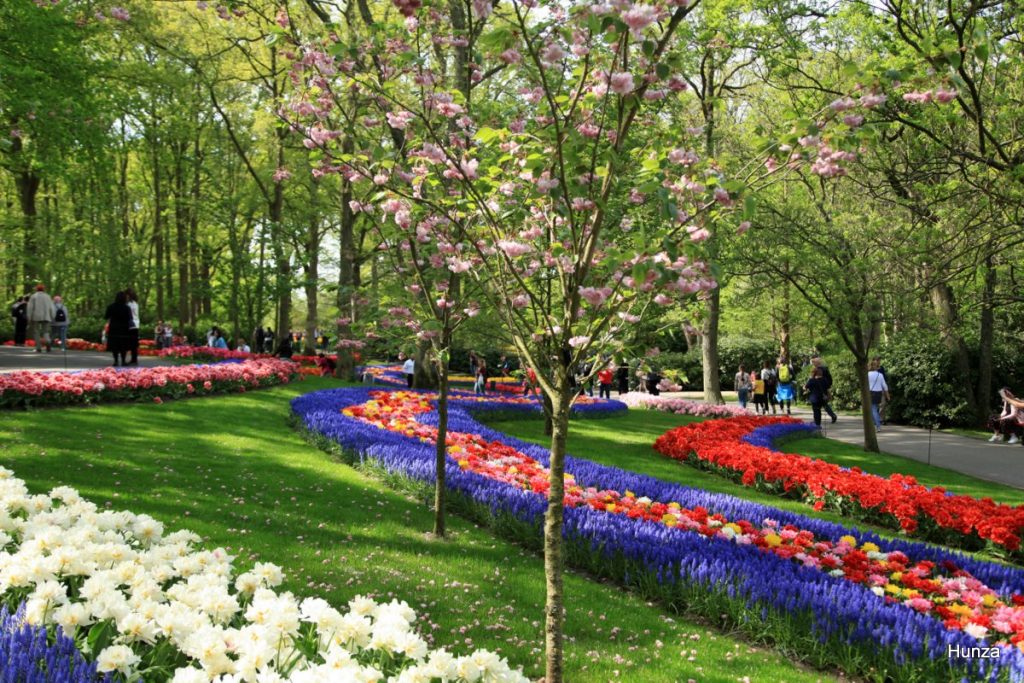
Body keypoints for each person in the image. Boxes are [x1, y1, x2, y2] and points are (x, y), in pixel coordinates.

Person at [104, 291, 133, 367]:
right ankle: (123, 361)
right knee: (124, 345)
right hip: (124, 329)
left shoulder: (111, 306)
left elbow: (106, 316)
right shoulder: (127, 308)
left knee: (115, 345)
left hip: (114, 328)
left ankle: (116, 361)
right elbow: (130, 318)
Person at [26, 284, 56, 353]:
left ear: (36, 289)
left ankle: (38, 348)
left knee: (36, 332)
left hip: (36, 317)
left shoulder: (33, 296)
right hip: (46, 316)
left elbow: (30, 308)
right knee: (45, 331)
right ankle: (48, 342)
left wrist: (29, 317)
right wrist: (52, 316)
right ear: (44, 289)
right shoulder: (47, 296)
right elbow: (52, 307)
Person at [810, 356, 838, 423]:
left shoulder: (818, 370)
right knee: (824, 403)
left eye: (814, 362)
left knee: (821, 404)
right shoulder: (825, 369)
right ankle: (832, 415)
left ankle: (818, 419)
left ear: (817, 363)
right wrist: (828, 387)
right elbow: (830, 379)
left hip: (818, 389)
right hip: (825, 387)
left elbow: (812, 379)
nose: (813, 364)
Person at [867, 359, 890, 431]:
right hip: (878, 393)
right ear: (876, 367)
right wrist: (888, 396)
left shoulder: (867, 374)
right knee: (874, 409)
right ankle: (876, 424)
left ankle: (877, 425)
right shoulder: (880, 375)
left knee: (873, 409)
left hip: (870, 393)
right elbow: (885, 386)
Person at [872, 356, 889, 425]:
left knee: (883, 404)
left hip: (881, 389)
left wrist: (885, 390)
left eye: (879, 360)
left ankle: (881, 419)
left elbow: (884, 379)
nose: (879, 362)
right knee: (874, 405)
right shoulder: (871, 369)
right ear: (874, 361)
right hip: (873, 390)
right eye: (877, 360)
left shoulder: (881, 368)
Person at [124, 287, 140, 365]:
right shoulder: (135, 303)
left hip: (131, 324)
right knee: (133, 343)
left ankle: (132, 359)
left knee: (130, 343)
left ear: (128, 295)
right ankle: (134, 359)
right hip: (135, 324)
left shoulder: (129, 304)